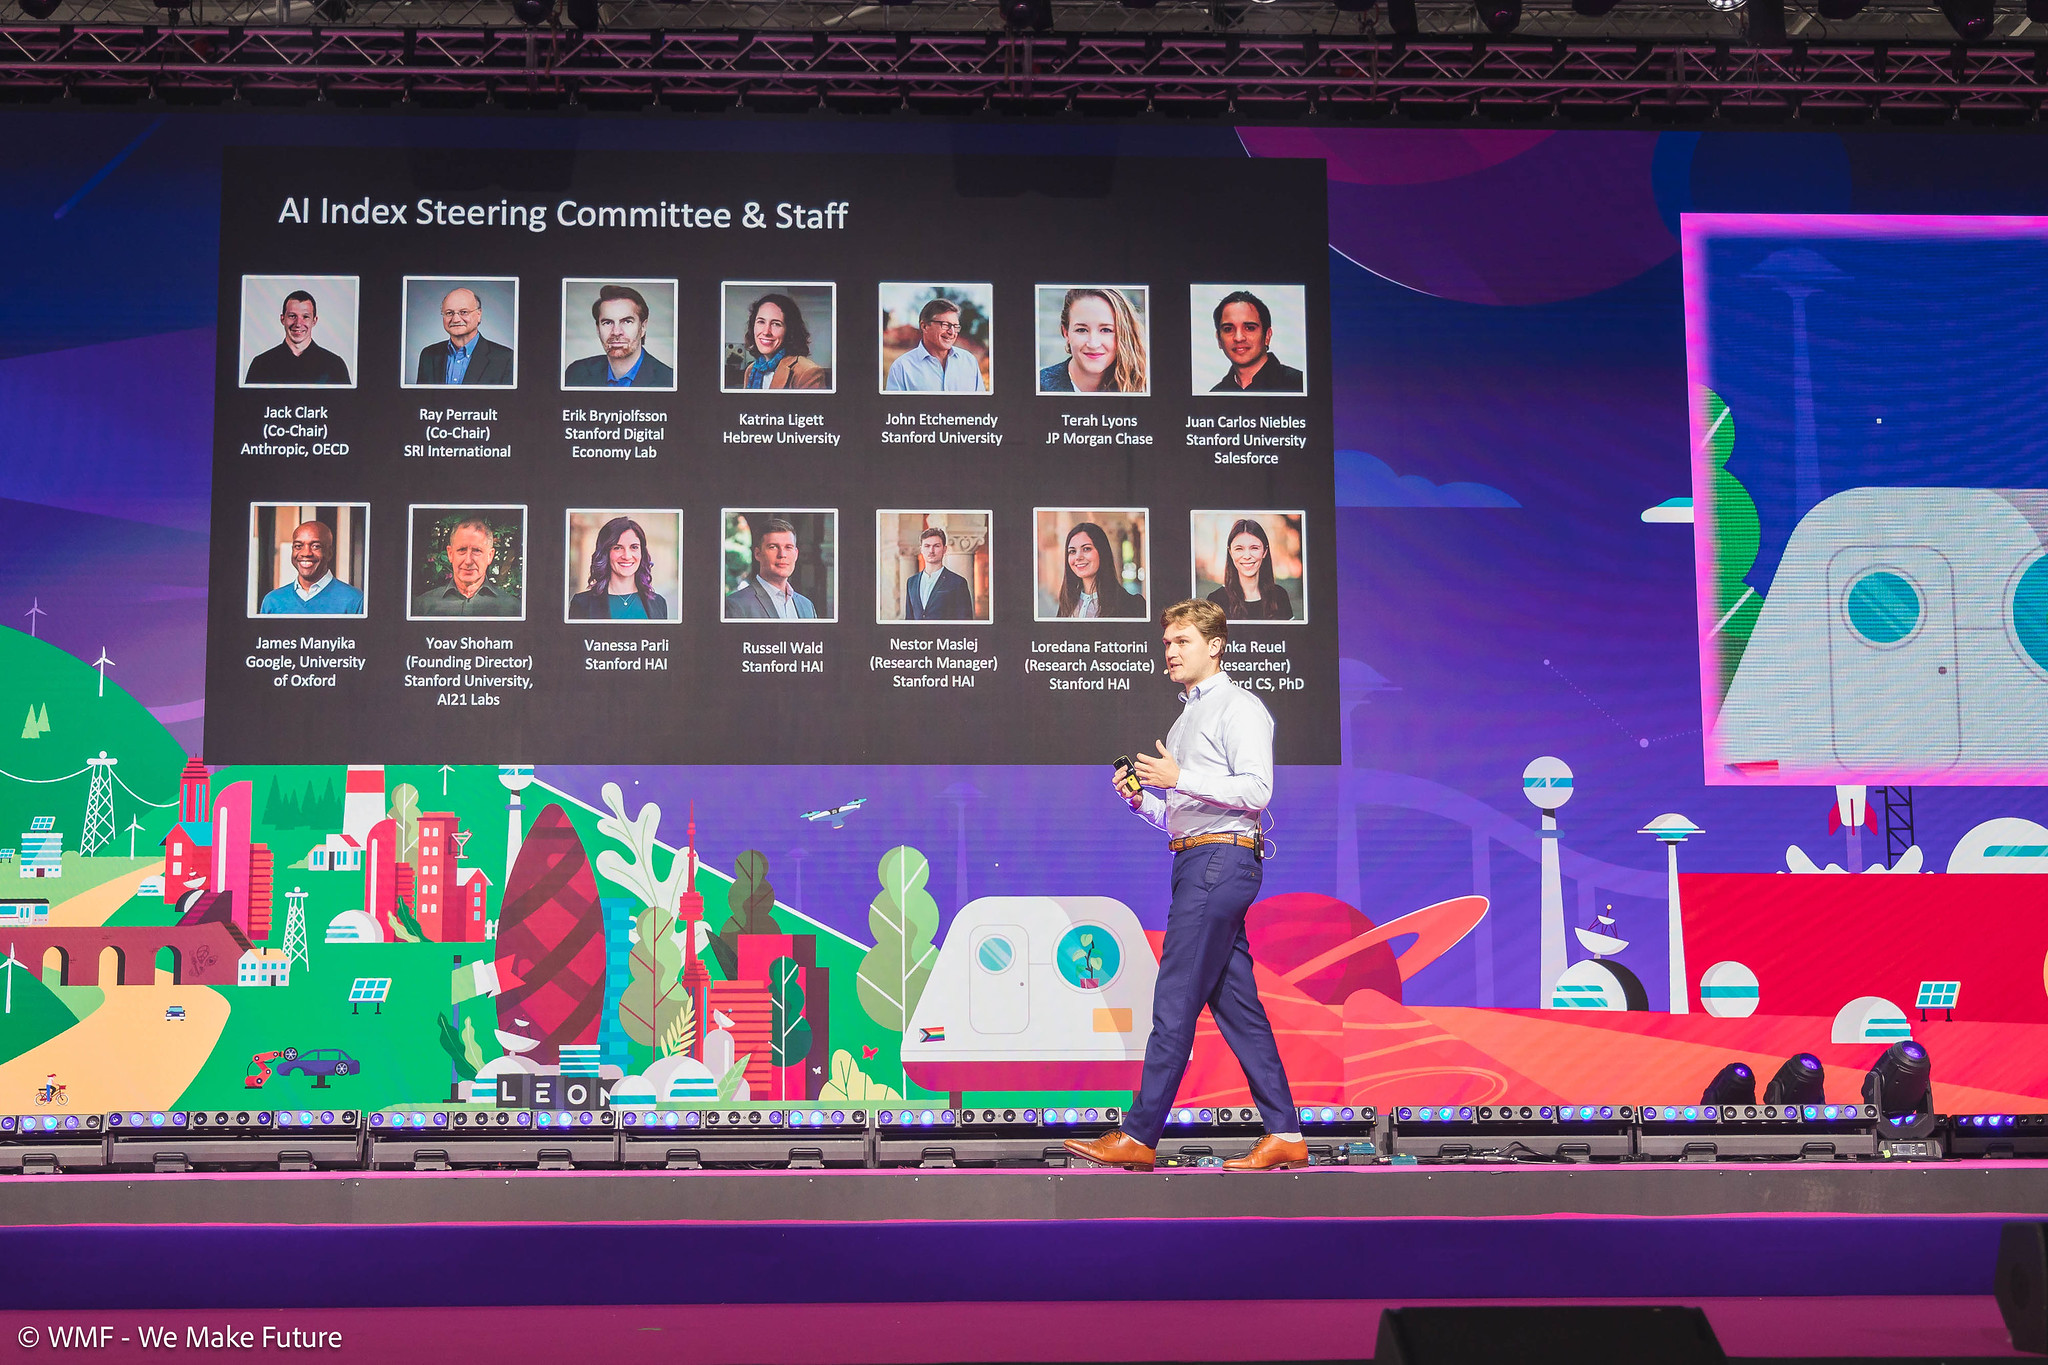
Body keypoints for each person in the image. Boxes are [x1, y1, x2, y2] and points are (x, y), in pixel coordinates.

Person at [1064, 598, 1304, 1174]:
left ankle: (1139, 1135)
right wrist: (1143, 801)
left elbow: (1258, 791)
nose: (1169, 652)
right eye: (1167, 643)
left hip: (1219, 862)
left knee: (1174, 999)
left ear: (1215, 646)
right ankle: (1285, 1133)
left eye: (1182, 642)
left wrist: (1180, 776)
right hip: (1199, 858)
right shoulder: (1184, 720)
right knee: (1237, 1007)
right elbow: (1184, 816)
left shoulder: (1238, 707)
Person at [1038, 287, 1147, 395]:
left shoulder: (1144, 386)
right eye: (1081, 330)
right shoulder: (1038, 386)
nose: (1093, 344)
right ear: (1066, 333)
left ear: (1124, 333)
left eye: (1106, 330)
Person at [564, 285, 675, 389]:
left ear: (643, 327)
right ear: (598, 329)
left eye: (627, 321)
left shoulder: (669, 380)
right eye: (607, 323)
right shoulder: (576, 373)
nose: (616, 332)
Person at [412, 517, 519, 617]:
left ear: (490, 556)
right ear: (450, 554)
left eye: (477, 550)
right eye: (462, 550)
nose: (468, 561)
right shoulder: (422, 606)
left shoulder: (512, 609)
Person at [569, 516, 670, 620]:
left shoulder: (659, 603)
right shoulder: (582, 604)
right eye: (617, 548)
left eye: (634, 547)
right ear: (606, 553)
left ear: (642, 553)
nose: (627, 556)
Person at [244, 289, 351, 385]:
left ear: (314, 321)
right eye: (292, 316)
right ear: (282, 319)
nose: (298, 323)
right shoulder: (261, 364)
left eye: (305, 317)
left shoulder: (335, 365)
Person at [259, 519, 365, 615]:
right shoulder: (272, 601)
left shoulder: (355, 601)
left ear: (329, 553)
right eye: (298, 546)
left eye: (315, 546)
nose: (306, 553)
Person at [415, 286, 514, 386]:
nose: (455, 319)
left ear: (479, 315)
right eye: (449, 313)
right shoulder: (428, 355)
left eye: (464, 312)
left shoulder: (505, 358)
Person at [1209, 290, 1304, 394]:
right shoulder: (1215, 394)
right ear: (1219, 339)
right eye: (1228, 329)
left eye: (1249, 328)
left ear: (1267, 336)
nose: (1238, 338)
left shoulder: (1299, 384)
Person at [729, 292, 829, 390]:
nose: (766, 332)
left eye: (776, 324)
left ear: (790, 331)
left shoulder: (808, 373)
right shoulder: (751, 370)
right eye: (761, 322)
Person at [724, 517, 818, 620]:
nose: (782, 554)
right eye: (773, 547)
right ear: (757, 554)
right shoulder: (736, 604)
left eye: (788, 547)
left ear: (796, 554)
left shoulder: (807, 606)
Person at [885, 298, 985, 393]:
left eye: (955, 326)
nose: (952, 332)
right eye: (945, 325)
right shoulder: (901, 367)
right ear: (924, 326)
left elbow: (981, 403)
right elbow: (895, 405)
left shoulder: (969, 361)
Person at [1206, 518, 1294, 621]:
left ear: (1264, 552)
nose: (1247, 556)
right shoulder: (1215, 600)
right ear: (1230, 552)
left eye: (1254, 548)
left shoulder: (1280, 596)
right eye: (1239, 549)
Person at [1054, 522, 1144, 620]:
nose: (1078, 557)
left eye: (1086, 549)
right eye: (1072, 551)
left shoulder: (1132, 605)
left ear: (1102, 552)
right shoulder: (1067, 604)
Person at [903, 526, 973, 620]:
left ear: (944, 549)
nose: (931, 551)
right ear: (921, 549)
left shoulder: (957, 582)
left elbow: (965, 621)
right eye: (927, 546)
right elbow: (909, 620)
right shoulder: (911, 582)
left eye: (936, 546)